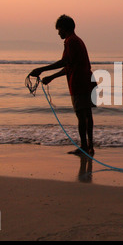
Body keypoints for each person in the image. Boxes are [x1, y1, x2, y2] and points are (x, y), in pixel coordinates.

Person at [29, 15, 96, 156]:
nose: (58, 33)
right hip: (88, 81)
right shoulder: (77, 41)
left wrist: (41, 69)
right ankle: (89, 147)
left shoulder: (70, 41)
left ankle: (84, 147)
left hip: (79, 83)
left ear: (64, 29)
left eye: (59, 30)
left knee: (81, 116)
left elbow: (64, 62)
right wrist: (51, 77)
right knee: (87, 115)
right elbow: (69, 66)